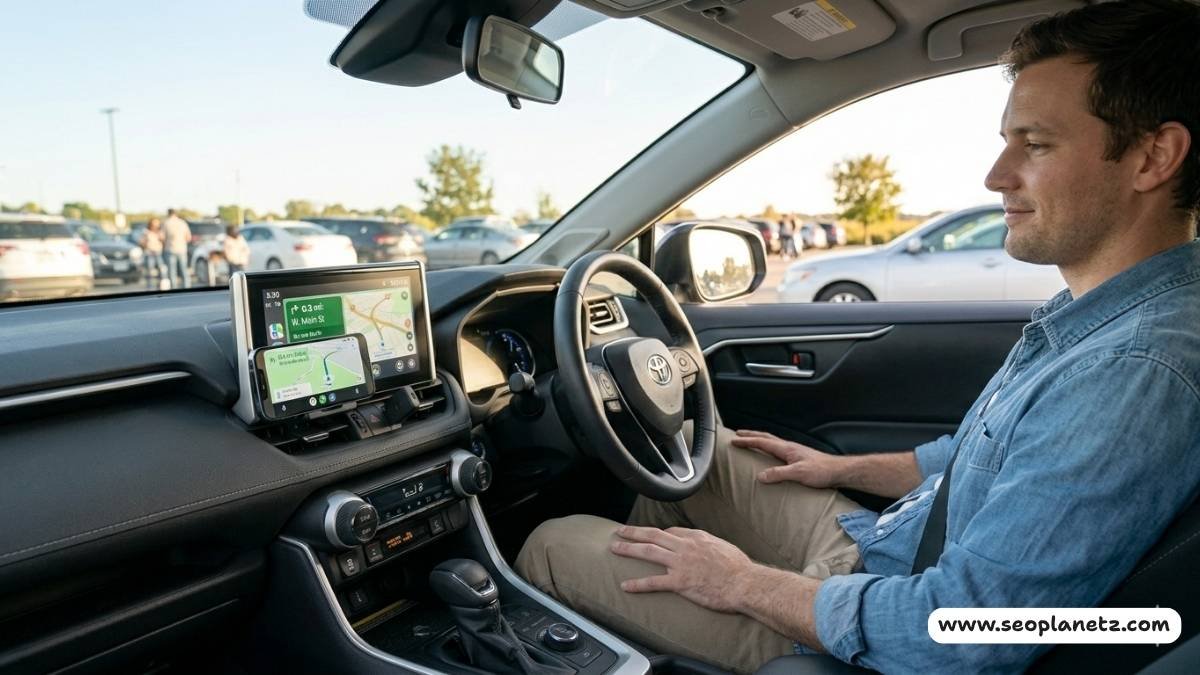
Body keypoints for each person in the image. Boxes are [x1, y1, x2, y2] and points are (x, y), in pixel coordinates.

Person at [516, 1, 1200, 672]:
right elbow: (970, 458)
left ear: (1152, 158)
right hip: (883, 547)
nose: (995, 176)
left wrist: (742, 584)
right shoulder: (1098, 316)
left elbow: (964, 630)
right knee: (711, 459)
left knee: (552, 543)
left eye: (1037, 144)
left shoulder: (1135, 366)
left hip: (878, 630)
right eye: (1006, 142)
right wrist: (837, 468)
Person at [161, 208, 191, 289]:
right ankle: (187, 288)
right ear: (176, 213)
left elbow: (162, 237)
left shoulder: (166, 223)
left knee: (172, 272)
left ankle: (174, 289)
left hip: (170, 249)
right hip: (182, 249)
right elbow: (188, 237)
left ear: (168, 213)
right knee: (184, 270)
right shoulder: (182, 222)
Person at [139, 218, 166, 288]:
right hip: (149, 253)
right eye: (154, 224)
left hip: (158, 253)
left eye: (157, 224)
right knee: (149, 272)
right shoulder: (146, 232)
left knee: (161, 271)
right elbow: (141, 243)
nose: (155, 226)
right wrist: (145, 243)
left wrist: (161, 238)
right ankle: (149, 287)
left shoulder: (160, 232)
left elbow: (163, 241)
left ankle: (160, 287)